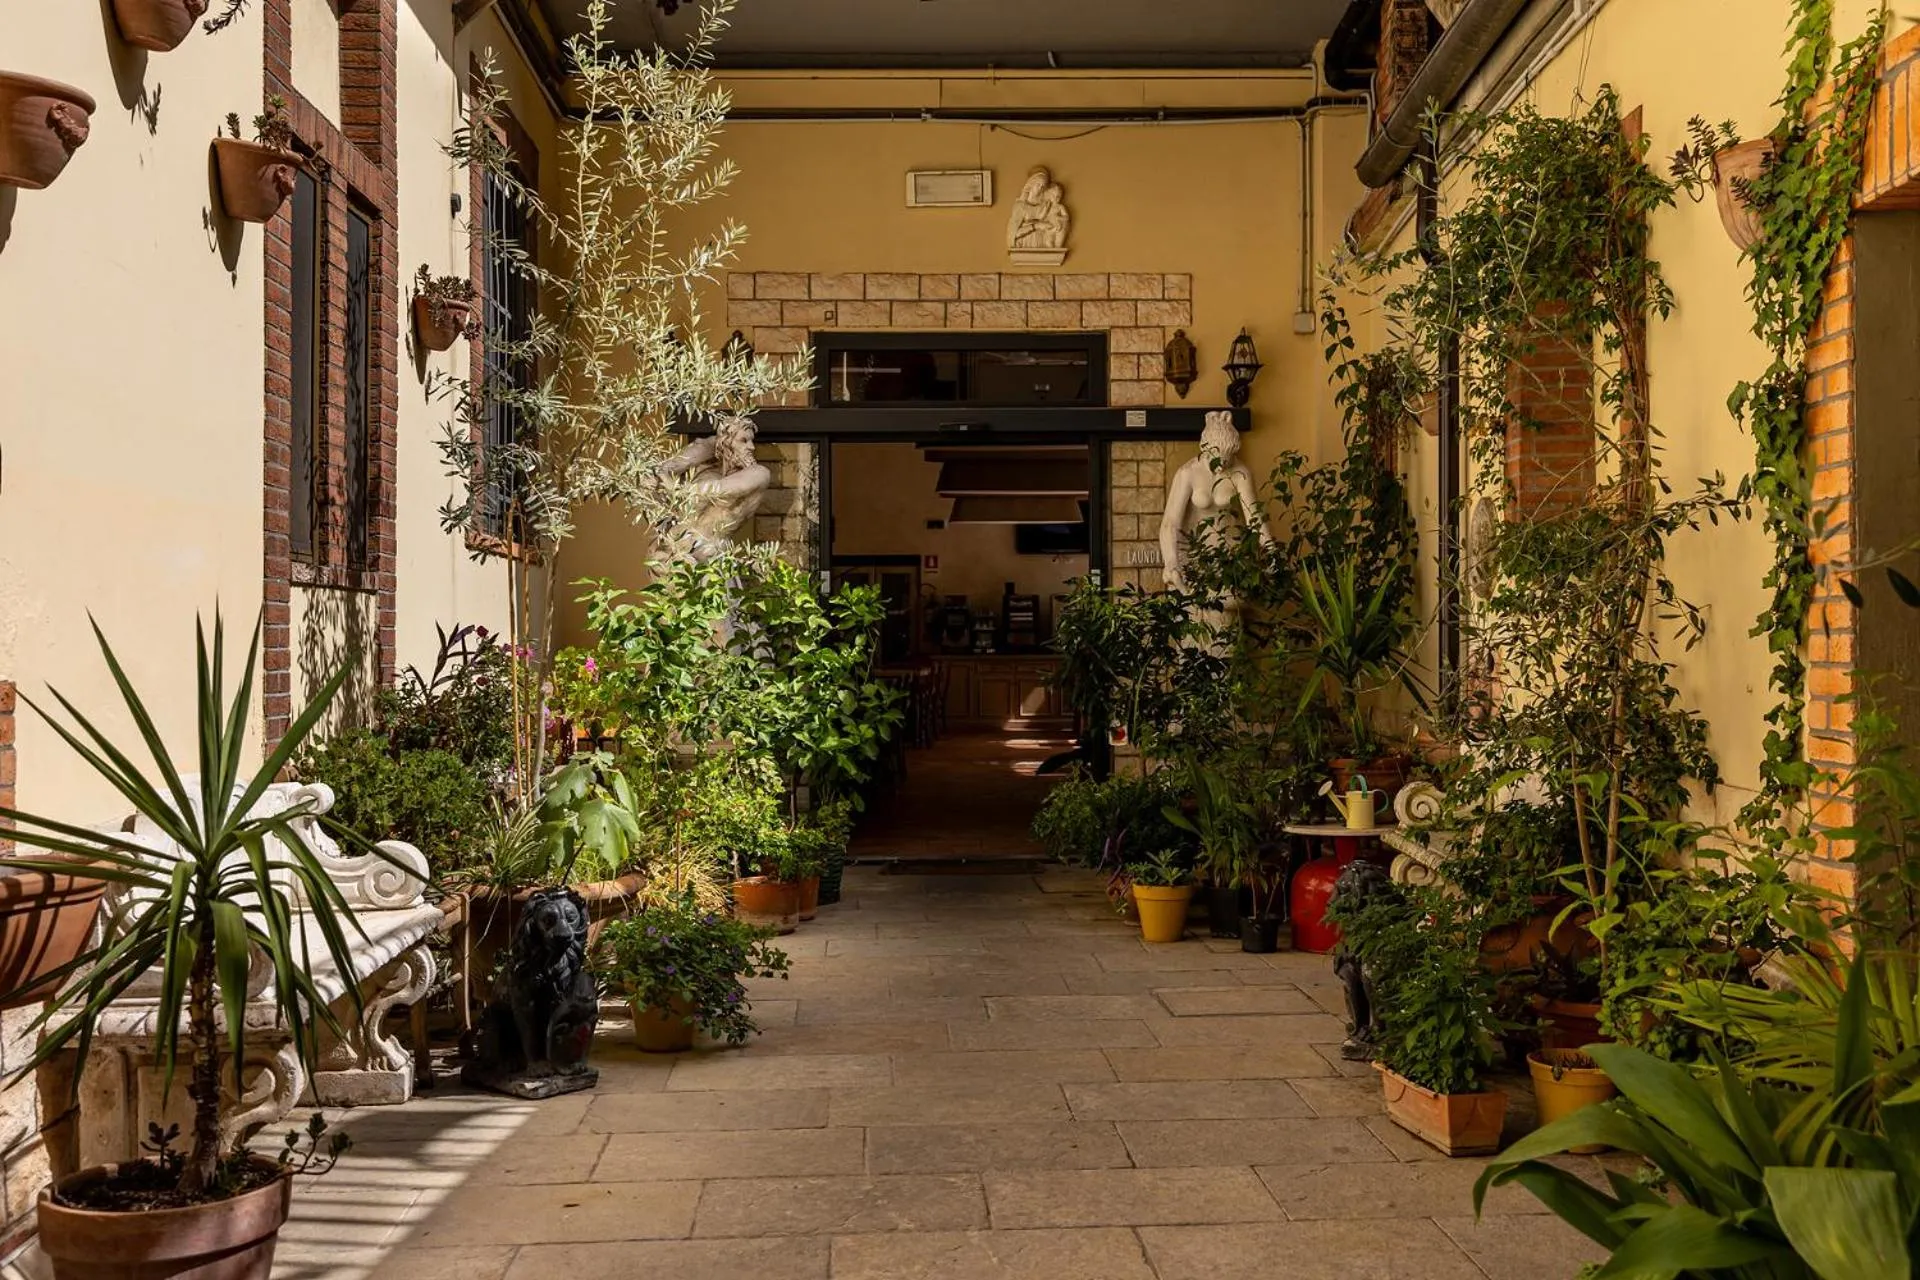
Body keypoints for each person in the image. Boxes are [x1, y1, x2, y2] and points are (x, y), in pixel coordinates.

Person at [1158, 410, 1273, 606]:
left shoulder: (1240, 473)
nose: (1221, 467)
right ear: (1204, 447)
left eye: (1227, 460)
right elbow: (1170, 523)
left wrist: (1272, 554)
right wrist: (1171, 562)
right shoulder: (1188, 473)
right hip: (1193, 560)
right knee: (1193, 627)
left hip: (1229, 560)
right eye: (1217, 459)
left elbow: (1255, 520)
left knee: (1227, 623)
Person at [655, 413, 771, 564]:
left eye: (751, 441)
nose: (751, 447)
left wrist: (672, 487)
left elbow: (716, 490)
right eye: (743, 440)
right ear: (726, 443)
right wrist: (713, 444)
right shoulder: (709, 470)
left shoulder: (758, 474)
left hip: (708, 556)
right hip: (671, 550)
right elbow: (669, 466)